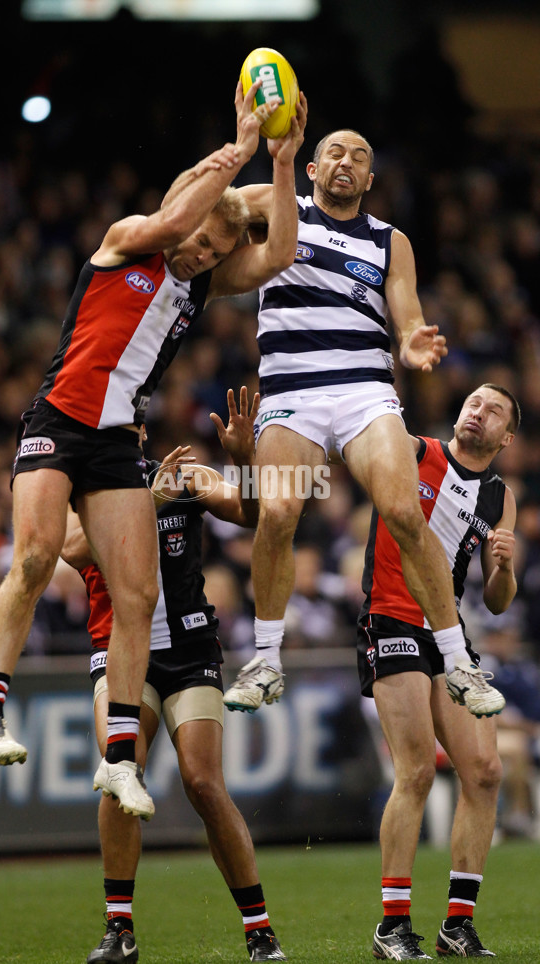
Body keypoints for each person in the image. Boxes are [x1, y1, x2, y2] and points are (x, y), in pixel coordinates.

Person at [0, 81, 307, 822]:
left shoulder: (195, 285)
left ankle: (119, 758)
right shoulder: (127, 240)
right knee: (35, 556)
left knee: (137, 595)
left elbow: (278, 252)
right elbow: (181, 212)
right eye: (201, 244)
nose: (203, 255)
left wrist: (282, 163)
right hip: (59, 419)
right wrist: (240, 145)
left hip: (118, 442)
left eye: (216, 250)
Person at [223, 129, 506, 721]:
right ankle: (267, 659)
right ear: (312, 166)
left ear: (370, 180)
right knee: (276, 511)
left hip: (363, 390)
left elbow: (407, 320)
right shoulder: (277, 207)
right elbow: (213, 210)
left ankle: (457, 663)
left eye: (360, 158)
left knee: (404, 512)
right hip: (291, 390)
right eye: (334, 152)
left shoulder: (388, 241)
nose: (346, 162)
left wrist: (413, 345)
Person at [62, 387, 286, 964]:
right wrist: (146, 502)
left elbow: (256, 513)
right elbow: (70, 548)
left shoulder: (186, 474)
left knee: (205, 783)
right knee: (119, 770)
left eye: (131, 426)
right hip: (120, 655)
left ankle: (259, 930)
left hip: (189, 650)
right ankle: (119, 930)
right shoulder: (75, 482)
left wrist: (243, 458)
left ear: (139, 431)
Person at [356, 383, 519, 959]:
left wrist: (503, 568)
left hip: (448, 633)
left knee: (486, 771)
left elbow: (498, 601)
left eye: (494, 409)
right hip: (392, 618)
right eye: (473, 401)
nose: (479, 410)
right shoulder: (411, 451)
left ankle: (458, 923)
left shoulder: (500, 497)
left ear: (507, 436)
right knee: (418, 771)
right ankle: (392, 926)